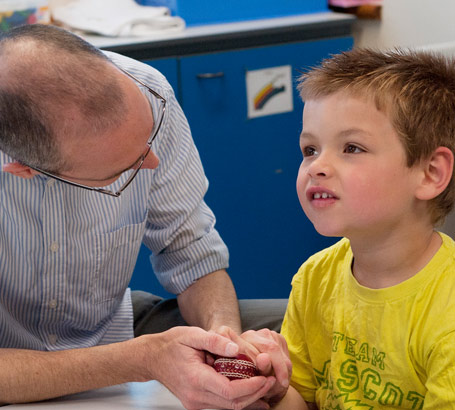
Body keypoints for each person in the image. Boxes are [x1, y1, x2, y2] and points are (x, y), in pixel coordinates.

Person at [0, 24, 290, 409]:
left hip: (117, 327)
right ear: (25, 169)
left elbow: (190, 250)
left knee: (315, 327)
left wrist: (226, 345)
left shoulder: (150, 92)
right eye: (125, 170)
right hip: (18, 357)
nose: (151, 162)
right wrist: (144, 358)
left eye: (147, 141)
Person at [273, 48, 455, 409]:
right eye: (310, 149)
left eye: (351, 148)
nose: (316, 167)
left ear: (430, 173)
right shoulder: (313, 279)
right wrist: (267, 387)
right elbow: (301, 400)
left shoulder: (447, 309)